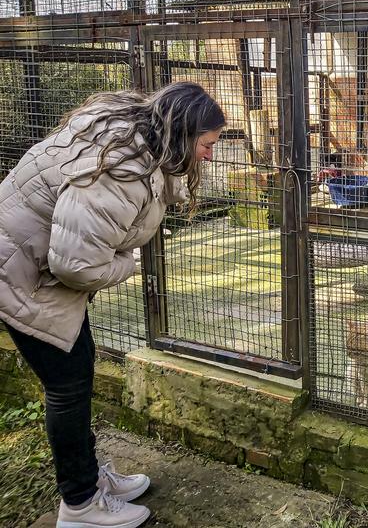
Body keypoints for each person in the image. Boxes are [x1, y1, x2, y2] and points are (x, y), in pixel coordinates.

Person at [0, 82, 225, 528]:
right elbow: (76, 266)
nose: (210, 155)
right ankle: (80, 505)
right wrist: (128, 263)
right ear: (181, 132)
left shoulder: (130, 133)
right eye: (206, 144)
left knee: (76, 378)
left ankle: (88, 480)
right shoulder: (120, 170)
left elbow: (151, 184)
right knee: (68, 389)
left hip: (25, 264)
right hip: (20, 276)